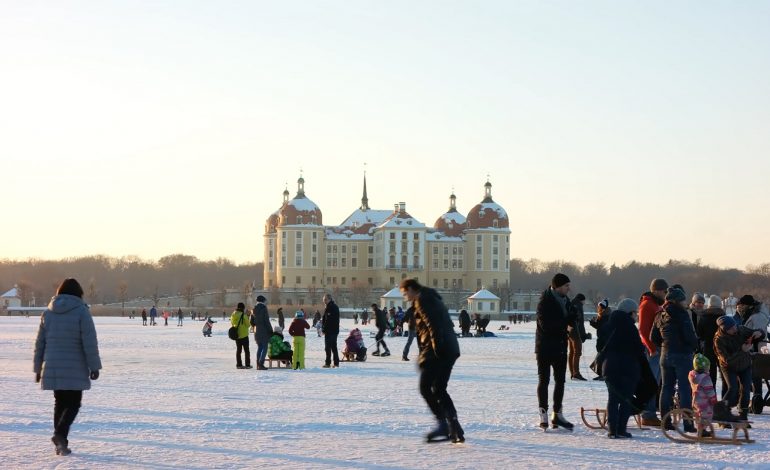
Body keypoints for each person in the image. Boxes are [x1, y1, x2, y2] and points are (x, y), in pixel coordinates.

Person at [33, 278, 102, 456]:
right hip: (75, 366)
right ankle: (60, 436)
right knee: (74, 404)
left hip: (53, 365)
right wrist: (94, 366)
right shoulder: (81, 311)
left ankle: (60, 443)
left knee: (60, 402)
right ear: (79, 293)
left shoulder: (48, 313)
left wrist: (37, 368)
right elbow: (89, 342)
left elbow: (40, 343)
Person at [400, 278, 463, 443]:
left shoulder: (423, 300)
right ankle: (454, 426)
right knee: (439, 388)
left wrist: (435, 350)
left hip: (439, 349)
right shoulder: (431, 298)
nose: (405, 296)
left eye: (405, 292)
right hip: (450, 347)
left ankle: (443, 425)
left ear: (412, 289)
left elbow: (433, 325)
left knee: (425, 388)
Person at [650, 286, 699, 432]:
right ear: (677, 301)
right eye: (683, 300)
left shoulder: (659, 314)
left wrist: (664, 345)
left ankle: (666, 421)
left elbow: (653, 337)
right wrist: (694, 346)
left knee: (666, 387)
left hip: (665, 355)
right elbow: (689, 335)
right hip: (683, 355)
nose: (685, 302)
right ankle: (688, 423)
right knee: (685, 389)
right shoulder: (682, 314)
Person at [535, 273, 576, 431]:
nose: (568, 288)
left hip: (560, 346)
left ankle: (557, 414)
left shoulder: (566, 302)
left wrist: (573, 319)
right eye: (566, 286)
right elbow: (547, 326)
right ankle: (543, 414)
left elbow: (570, 320)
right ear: (557, 286)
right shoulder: (544, 302)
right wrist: (566, 322)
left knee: (560, 381)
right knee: (544, 380)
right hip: (545, 347)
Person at [601, 298, 643, 439]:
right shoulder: (630, 327)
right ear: (630, 313)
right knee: (625, 399)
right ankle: (621, 429)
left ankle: (612, 430)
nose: (636, 315)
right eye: (635, 313)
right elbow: (638, 349)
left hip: (609, 367)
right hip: (627, 368)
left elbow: (600, 345)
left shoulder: (608, 325)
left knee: (612, 399)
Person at [713, 315, 763, 425]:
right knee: (732, 388)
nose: (734, 329)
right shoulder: (718, 339)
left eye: (734, 326)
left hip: (745, 364)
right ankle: (721, 413)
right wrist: (742, 350)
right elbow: (727, 360)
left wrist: (759, 333)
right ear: (724, 329)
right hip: (728, 366)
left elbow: (758, 332)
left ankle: (743, 416)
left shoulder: (741, 329)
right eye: (731, 328)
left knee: (745, 390)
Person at [637, 278, 668, 427]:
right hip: (652, 350)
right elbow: (643, 330)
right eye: (664, 291)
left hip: (658, 349)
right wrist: (652, 349)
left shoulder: (655, 304)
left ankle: (650, 413)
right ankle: (647, 415)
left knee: (655, 384)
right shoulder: (647, 304)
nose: (665, 294)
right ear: (656, 290)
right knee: (651, 383)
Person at [735, 295, 769, 407]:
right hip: (752, 348)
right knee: (754, 374)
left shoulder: (757, 316)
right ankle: (755, 397)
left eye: (742, 305)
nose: (740, 308)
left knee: (756, 374)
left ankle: (757, 396)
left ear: (749, 305)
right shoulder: (752, 314)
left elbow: (758, 334)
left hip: (756, 349)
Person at [696, 295, 724, 395]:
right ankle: (725, 398)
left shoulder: (703, 317)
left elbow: (699, 333)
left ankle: (711, 396)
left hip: (708, 348)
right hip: (722, 348)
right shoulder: (723, 317)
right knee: (724, 374)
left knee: (710, 374)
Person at [689, 353, 717, 437]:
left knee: (698, 415)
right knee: (707, 415)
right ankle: (702, 430)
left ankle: (700, 429)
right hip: (704, 401)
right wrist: (714, 399)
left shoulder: (693, 376)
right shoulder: (705, 378)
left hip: (695, 400)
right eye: (707, 367)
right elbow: (710, 391)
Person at [589, 298, 611, 380]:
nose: (598, 308)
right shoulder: (603, 315)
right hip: (602, 339)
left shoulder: (605, 316)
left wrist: (594, 323)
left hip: (604, 340)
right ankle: (601, 374)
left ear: (603, 307)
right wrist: (593, 323)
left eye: (599, 307)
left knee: (602, 357)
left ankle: (603, 374)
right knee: (600, 357)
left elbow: (601, 327)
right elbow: (599, 326)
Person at [569, 293, 588, 381]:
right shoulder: (579, 306)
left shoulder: (571, 303)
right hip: (576, 332)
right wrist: (583, 335)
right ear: (582, 300)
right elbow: (580, 322)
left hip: (570, 332)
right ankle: (576, 373)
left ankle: (572, 372)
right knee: (577, 352)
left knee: (572, 352)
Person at [250, 295, 272, 370]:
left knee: (259, 347)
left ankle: (258, 363)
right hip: (264, 330)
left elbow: (251, 321)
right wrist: (270, 330)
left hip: (256, 330)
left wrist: (255, 326)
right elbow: (266, 321)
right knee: (265, 347)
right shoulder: (264, 308)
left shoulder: (253, 309)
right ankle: (261, 363)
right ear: (263, 301)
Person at [321, 294, 340, 368]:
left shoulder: (331, 307)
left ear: (329, 299)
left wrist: (324, 329)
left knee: (328, 347)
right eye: (323, 299)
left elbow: (328, 320)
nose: (324, 301)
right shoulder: (333, 306)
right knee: (333, 347)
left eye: (325, 299)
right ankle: (336, 363)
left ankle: (328, 363)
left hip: (330, 331)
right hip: (334, 330)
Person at [231, 302, 251, 369]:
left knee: (238, 350)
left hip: (237, 335)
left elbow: (232, 323)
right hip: (244, 335)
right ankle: (247, 364)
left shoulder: (233, 314)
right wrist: (248, 316)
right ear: (243, 308)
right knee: (246, 350)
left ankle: (239, 364)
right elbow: (248, 325)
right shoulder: (243, 315)